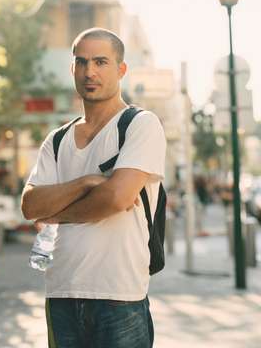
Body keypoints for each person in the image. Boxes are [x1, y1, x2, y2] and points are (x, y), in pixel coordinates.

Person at [21, 27, 166, 348]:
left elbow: (116, 197)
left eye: (101, 62)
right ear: (72, 68)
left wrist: (57, 212)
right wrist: (86, 182)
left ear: (121, 69)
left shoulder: (140, 124)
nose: (90, 72)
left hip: (118, 295)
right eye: (82, 62)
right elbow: (31, 206)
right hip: (61, 291)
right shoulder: (57, 140)